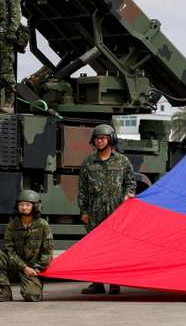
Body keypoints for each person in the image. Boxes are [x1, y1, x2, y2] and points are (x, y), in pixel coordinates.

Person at [78, 124, 136, 295]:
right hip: (95, 208)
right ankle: (97, 282)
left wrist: (128, 196)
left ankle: (114, 282)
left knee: (116, 246)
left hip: (116, 209)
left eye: (103, 138)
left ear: (111, 139)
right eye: (97, 138)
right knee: (95, 247)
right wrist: (84, 210)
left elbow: (130, 182)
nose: (100, 141)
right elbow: (82, 188)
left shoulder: (122, 161)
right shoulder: (88, 162)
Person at [0, 190, 53, 302]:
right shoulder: (12, 226)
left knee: (31, 296)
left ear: (35, 207)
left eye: (27, 205)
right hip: (16, 265)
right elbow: (9, 251)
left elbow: (47, 252)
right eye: (21, 204)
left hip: (33, 268)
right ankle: (5, 291)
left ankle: (35, 285)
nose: (23, 208)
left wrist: (37, 269)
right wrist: (24, 267)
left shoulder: (43, 225)